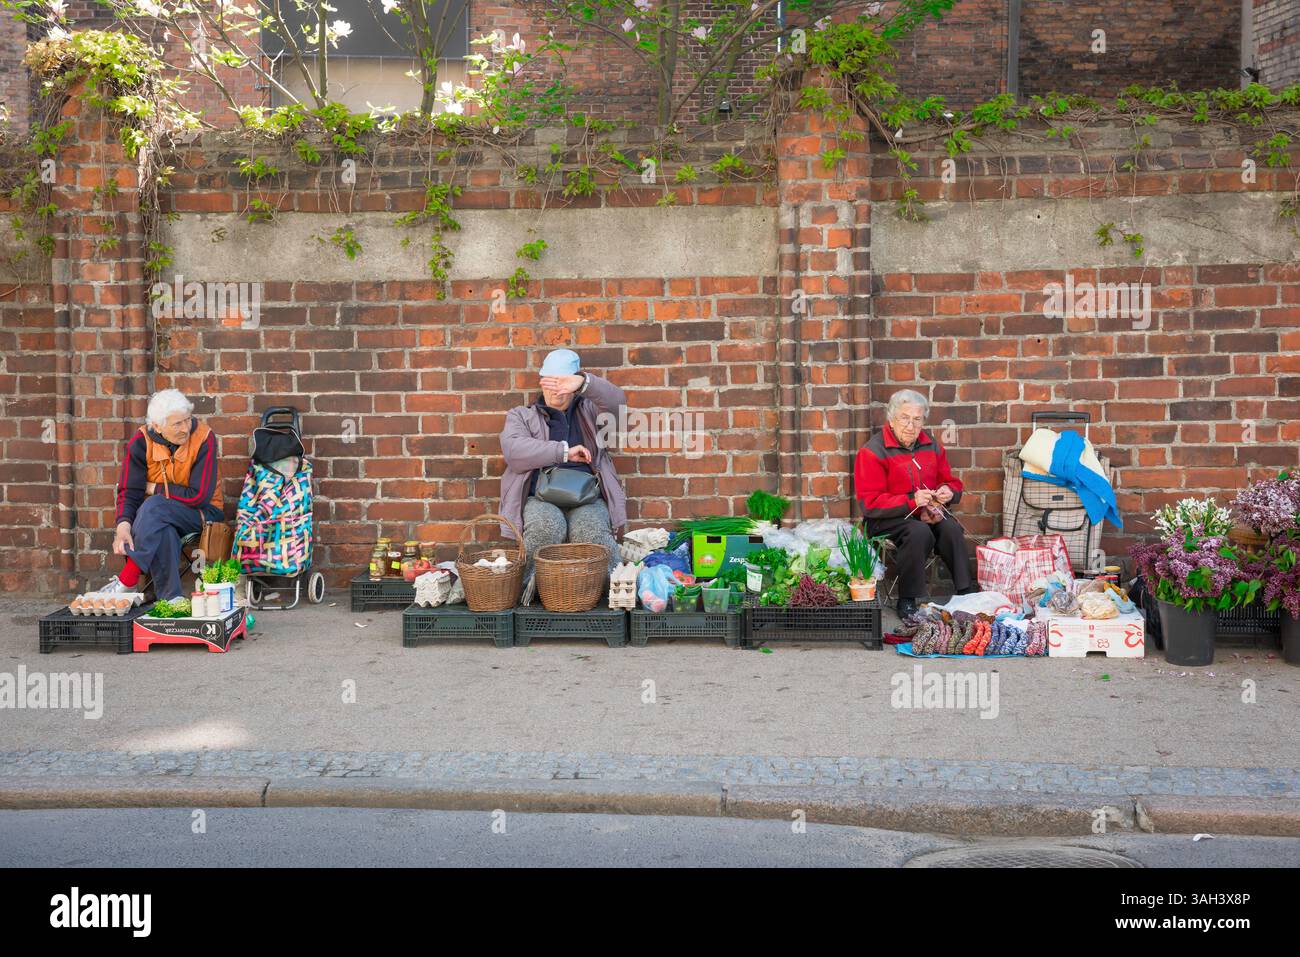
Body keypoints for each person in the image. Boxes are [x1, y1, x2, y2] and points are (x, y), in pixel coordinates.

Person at [499, 349, 627, 585]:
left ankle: (617, 591)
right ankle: (526, 593)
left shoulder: (590, 411)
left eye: (563, 382)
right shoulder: (522, 416)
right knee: (545, 528)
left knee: (592, 532)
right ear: (541, 380)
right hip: (540, 496)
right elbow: (514, 451)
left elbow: (617, 405)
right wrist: (564, 451)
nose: (556, 389)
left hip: (587, 495)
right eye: (550, 381)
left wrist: (585, 383)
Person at [854, 388, 976, 619]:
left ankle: (965, 592)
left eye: (917, 419)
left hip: (926, 513)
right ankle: (908, 599)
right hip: (885, 519)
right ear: (891, 418)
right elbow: (870, 503)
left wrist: (948, 492)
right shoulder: (872, 452)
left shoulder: (930, 444)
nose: (911, 426)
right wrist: (911, 502)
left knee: (950, 527)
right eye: (905, 418)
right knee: (919, 531)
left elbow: (951, 481)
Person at [101, 389, 224, 600]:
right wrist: (123, 526)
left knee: (154, 506)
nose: (186, 428)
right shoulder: (140, 442)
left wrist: (153, 488)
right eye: (177, 424)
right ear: (156, 426)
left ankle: (128, 579)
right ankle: (172, 599)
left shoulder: (204, 437)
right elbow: (130, 491)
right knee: (162, 527)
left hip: (203, 514)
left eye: (188, 420)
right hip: (157, 518)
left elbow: (198, 496)